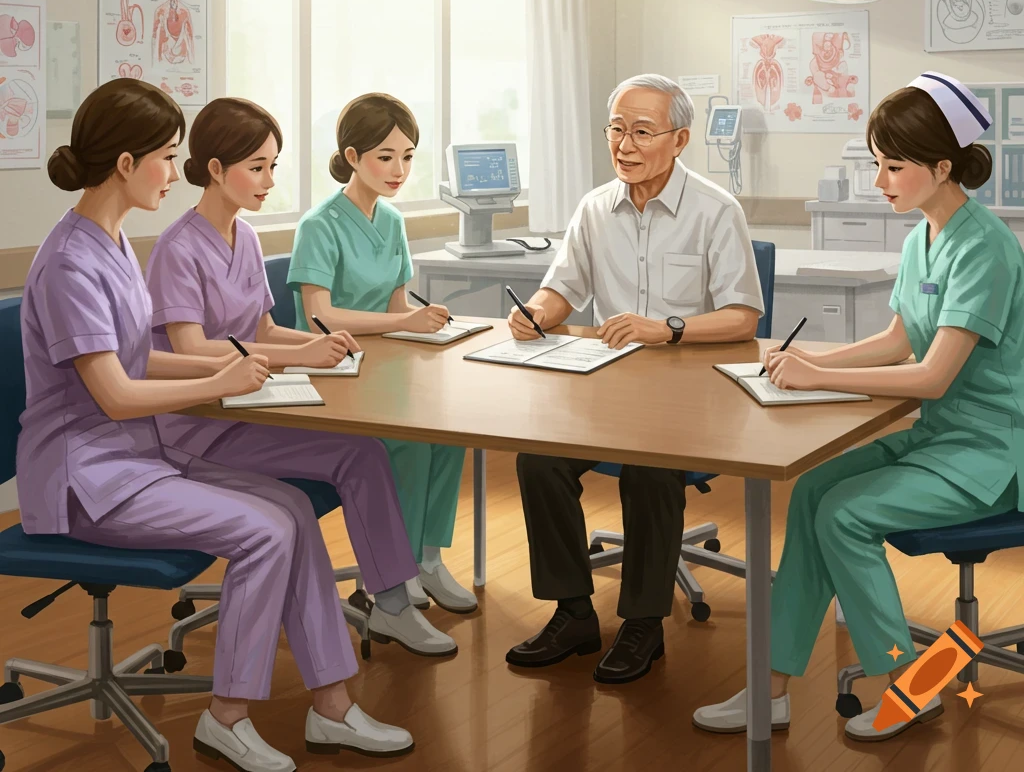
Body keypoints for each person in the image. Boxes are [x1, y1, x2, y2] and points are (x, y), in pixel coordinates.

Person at [19, 78, 413, 772]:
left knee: (290, 506)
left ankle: (332, 708)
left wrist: (231, 369)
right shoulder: (70, 262)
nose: (176, 174)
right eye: (168, 158)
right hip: (87, 478)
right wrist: (219, 379)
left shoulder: (110, 242)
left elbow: (141, 357)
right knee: (265, 530)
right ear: (124, 164)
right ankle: (226, 719)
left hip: (138, 454)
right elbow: (112, 394)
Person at [694, 71, 1024, 742]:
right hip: (941, 437)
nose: (880, 181)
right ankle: (772, 688)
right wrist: (812, 363)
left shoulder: (986, 246)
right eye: (877, 163)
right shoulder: (921, 238)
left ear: (941, 166)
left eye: (893, 165)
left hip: (990, 453)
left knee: (845, 515)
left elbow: (930, 376)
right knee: (814, 490)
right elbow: (898, 338)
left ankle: (912, 684)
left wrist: (819, 381)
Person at [146, 96, 456, 657]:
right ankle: (390, 604)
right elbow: (191, 347)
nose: (269, 181)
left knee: (364, 454)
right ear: (216, 170)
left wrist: (315, 344)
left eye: (273, 167)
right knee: (360, 455)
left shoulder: (246, 237)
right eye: (257, 168)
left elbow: (262, 327)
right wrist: (295, 357)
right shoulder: (177, 248)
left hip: (250, 401)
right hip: (199, 421)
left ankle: (392, 601)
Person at [505, 74, 764, 684]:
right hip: (605, 390)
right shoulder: (595, 207)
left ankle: (644, 625)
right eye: (616, 129)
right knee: (538, 459)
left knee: (651, 466)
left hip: (689, 397)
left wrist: (668, 328)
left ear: (679, 140)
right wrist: (537, 312)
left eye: (641, 131)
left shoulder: (717, 211)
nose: (624, 143)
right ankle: (572, 613)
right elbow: (563, 287)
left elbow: (744, 316)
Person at [287, 93, 476, 614]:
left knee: (448, 435)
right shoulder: (318, 226)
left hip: (387, 370)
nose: (399, 169)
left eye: (408, 156)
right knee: (411, 445)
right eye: (385, 156)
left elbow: (398, 301)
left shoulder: (391, 221)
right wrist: (402, 321)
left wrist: (425, 322)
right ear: (352, 157)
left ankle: (428, 559)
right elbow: (322, 316)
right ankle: (397, 568)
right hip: (336, 374)